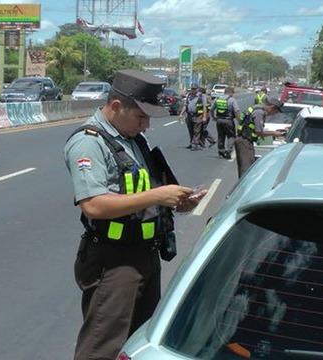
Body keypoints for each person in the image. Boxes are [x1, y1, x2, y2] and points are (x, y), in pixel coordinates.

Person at [64, 69, 206, 360]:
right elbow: (93, 204)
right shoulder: (89, 142)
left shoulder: (132, 138)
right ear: (116, 107)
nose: (146, 124)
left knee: (139, 342)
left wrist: (176, 202)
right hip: (113, 260)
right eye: (141, 116)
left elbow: (141, 191)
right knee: (103, 347)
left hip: (145, 254)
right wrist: (157, 196)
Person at [234, 96, 287, 178]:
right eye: (276, 111)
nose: (275, 114)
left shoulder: (257, 109)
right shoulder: (259, 113)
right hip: (245, 141)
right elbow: (259, 132)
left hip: (245, 140)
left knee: (246, 168)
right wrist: (274, 133)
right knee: (246, 169)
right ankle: (243, 189)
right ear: (271, 107)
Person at [211, 86, 239, 159]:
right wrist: (239, 121)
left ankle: (221, 150)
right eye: (233, 93)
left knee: (221, 135)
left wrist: (213, 117)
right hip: (228, 120)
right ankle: (228, 150)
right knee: (231, 136)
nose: (233, 94)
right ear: (230, 92)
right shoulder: (232, 100)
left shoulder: (217, 99)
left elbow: (211, 109)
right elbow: (236, 111)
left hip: (219, 120)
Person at [178, 83, 208, 150]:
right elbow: (185, 105)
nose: (193, 90)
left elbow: (204, 107)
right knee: (190, 130)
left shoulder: (201, 96)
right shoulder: (189, 96)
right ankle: (192, 143)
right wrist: (181, 114)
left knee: (196, 131)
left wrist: (204, 117)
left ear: (198, 89)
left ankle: (195, 144)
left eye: (194, 89)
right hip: (189, 115)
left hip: (198, 116)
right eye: (192, 89)